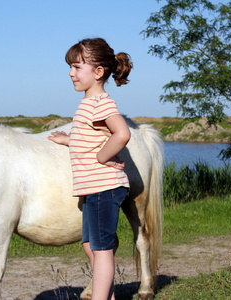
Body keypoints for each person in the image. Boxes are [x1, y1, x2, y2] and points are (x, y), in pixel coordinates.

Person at [48, 37, 132, 300]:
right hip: (93, 188)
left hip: (104, 186)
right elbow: (91, 137)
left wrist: (101, 157)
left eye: (76, 67)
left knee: (102, 249)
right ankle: (107, 294)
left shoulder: (101, 103)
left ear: (98, 72)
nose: (71, 73)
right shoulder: (88, 103)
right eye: (70, 67)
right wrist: (69, 140)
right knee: (89, 245)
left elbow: (122, 133)